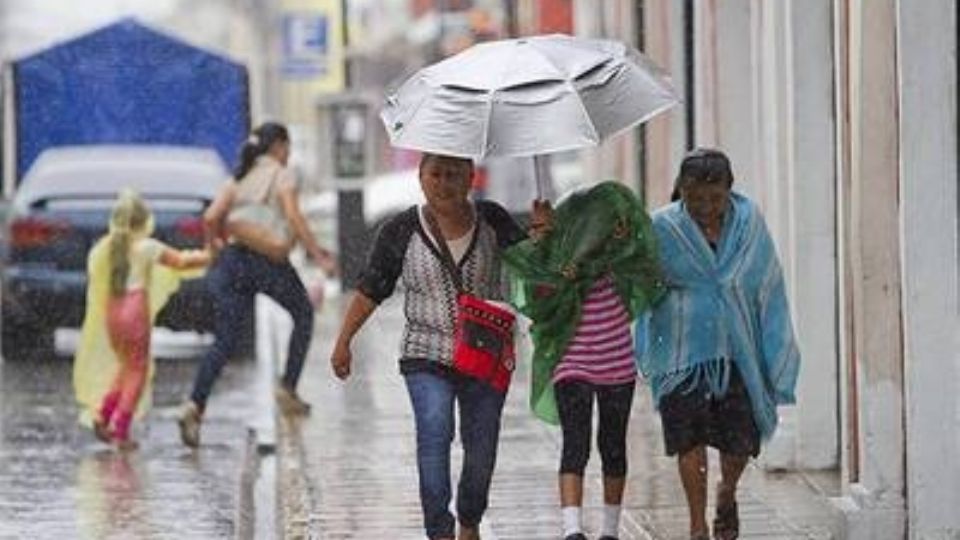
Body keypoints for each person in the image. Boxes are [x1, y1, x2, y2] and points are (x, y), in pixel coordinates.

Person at [329, 152, 549, 540]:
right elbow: (370, 288)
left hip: (486, 355)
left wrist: (542, 237)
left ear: (470, 179)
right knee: (434, 429)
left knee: (481, 447)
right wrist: (344, 340)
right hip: (425, 353)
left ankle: (469, 519)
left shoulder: (493, 220)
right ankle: (439, 531)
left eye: (454, 174)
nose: (443, 183)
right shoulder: (400, 230)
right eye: (435, 174)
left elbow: (534, 275)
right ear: (420, 177)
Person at [636, 148, 801, 540]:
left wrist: (775, 350)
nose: (705, 207)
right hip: (680, 354)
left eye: (714, 198)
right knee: (687, 439)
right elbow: (640, 283)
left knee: (739, 440)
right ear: (682, 190)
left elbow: (768, 284)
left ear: (729, 190)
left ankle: (727, 492)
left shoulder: (749, 224)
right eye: (695, 198)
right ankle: (697, 525)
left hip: (737, 349)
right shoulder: (661, 228)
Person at [501, 181, 664, 540]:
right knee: (576, 443)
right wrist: (544, 241)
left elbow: (647, 266)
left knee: (613, 445)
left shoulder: (621, 258)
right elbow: (537, 297)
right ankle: (572, 529)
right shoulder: (559, 258)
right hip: (571, 362)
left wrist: (623, 237)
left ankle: (609, 530)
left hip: (617, 365)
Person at [178, 121, 336, 448]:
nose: (289, 153)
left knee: (224, 341)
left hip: (233, 260)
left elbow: (211, 218)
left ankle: (195, 404)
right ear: (278, 146)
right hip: (269, 262)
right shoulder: (281, 173)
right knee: (303, 313)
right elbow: (293, 217)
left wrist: (214, 248)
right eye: (287, 147)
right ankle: (288, 388)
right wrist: (317, 252)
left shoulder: (237, 178)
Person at [74, 190, 210, 450]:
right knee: (138, 370)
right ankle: (121, 429)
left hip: (113, 310)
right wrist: (211, 256)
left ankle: (103, 415)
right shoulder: (147, 247)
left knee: (125, 366)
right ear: (143, 221)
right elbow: (181, 261)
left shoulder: (108, 248)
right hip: (135, 310)